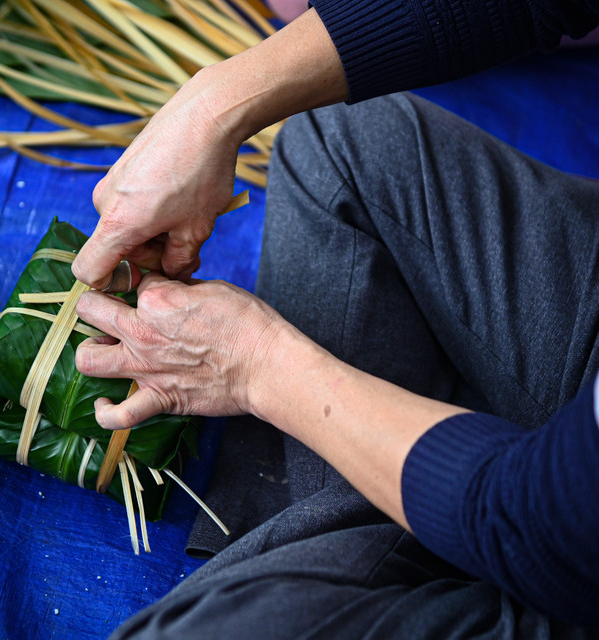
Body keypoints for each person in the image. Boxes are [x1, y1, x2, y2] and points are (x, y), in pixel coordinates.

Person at [68, 0, 599, 637]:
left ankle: (343, 567)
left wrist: (256, 364)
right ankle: (367, 528)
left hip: (566, 548)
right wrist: (211, 106)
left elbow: (536, 523)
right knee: (340, 145)